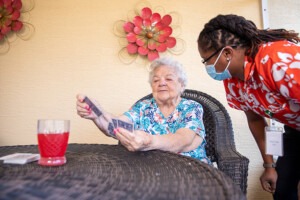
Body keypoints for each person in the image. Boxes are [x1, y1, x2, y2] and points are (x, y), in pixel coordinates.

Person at [197, 14, 300, 199]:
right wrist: (269, 166)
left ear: (227, 53)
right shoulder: (233, 80)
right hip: (295, 128)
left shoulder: (276, 60)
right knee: (283, 189)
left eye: (206, 60)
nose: (207, 66)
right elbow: (255, 120)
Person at [76, 57, 211, 164]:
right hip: (148, 171)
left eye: (168, 78)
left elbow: (182, 140)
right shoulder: (143, 107)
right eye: (156, 80)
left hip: (191, 170)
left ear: (182, 85)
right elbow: (117, 126)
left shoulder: (192, 107)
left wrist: (149, 141)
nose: (161, 83)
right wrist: (99, 115)